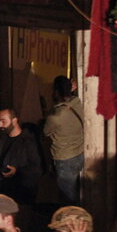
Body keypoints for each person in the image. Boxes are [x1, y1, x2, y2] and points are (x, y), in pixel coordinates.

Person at [0, 109, 43, 206]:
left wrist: (17, 171)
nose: (1, 125)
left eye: (3, 121)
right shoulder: (1, 138)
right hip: (0, 190)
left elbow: (37, 168)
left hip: (20, 193)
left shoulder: (27, 141)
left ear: (14, 120)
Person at [44, 76, 85, 205]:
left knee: (67, 198)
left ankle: (70, 222)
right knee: (76, 193)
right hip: (79, 153)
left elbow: (46, 131)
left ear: (56, 92)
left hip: (64, 159)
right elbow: (69, 100)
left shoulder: (55, 116)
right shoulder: (77, 102)